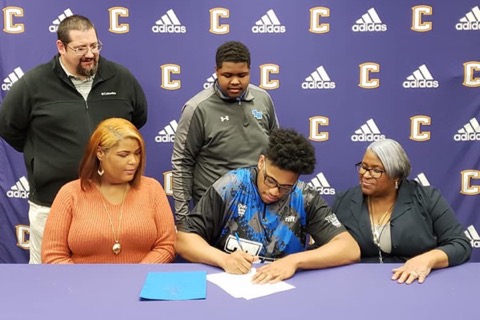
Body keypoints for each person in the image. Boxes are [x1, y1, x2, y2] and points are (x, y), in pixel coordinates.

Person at [0, 15, 148, 263]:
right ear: (61, 47)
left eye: (94, 46)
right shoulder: (34, 83)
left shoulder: (121, 79)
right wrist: (42, 156)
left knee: (105, 280)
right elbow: (8, 127)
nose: (90, 54)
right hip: (50, 202)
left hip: (110, 203)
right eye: (80, 48)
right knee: (47, 283)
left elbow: (136, 122)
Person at [176, 128, 360, 283]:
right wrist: (223, 259)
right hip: (232, 284)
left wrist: (295, 261)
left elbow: (349, 248)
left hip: (284, 287)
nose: (274, 191)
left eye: (286, 187)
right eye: (270, 181)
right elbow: (184, 240)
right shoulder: (230, 186)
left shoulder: (304, 196)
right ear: (261, 162)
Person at [333, 138, 472, 284]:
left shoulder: (426, 198)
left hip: (414, 282)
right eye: (364, 166)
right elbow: (324, 246)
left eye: (375, 170)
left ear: (396, 176)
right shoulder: (345, 200)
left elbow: (460, 244)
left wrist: (428, 259)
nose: (366, 175)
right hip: (359, 284)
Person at [172, 40, 279, 223]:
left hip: (260, 207)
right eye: (227, 75)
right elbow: (182, 163)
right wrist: (182, 220)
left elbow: (276, 151)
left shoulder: (264, 99)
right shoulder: (197, 108)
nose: (235, 81)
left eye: (242, 75)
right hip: (215, 208)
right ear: (216, 71)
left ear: (250, 71)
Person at [41, 118, 175, 264]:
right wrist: (85, 283)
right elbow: (53, 255)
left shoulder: (152, 189)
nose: (134, 161)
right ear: (100, 153)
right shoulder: (70, 193)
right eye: (123, 155)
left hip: (142, 283)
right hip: (82, 285)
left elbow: (166, 245)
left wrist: (138, 275)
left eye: (137, 153)